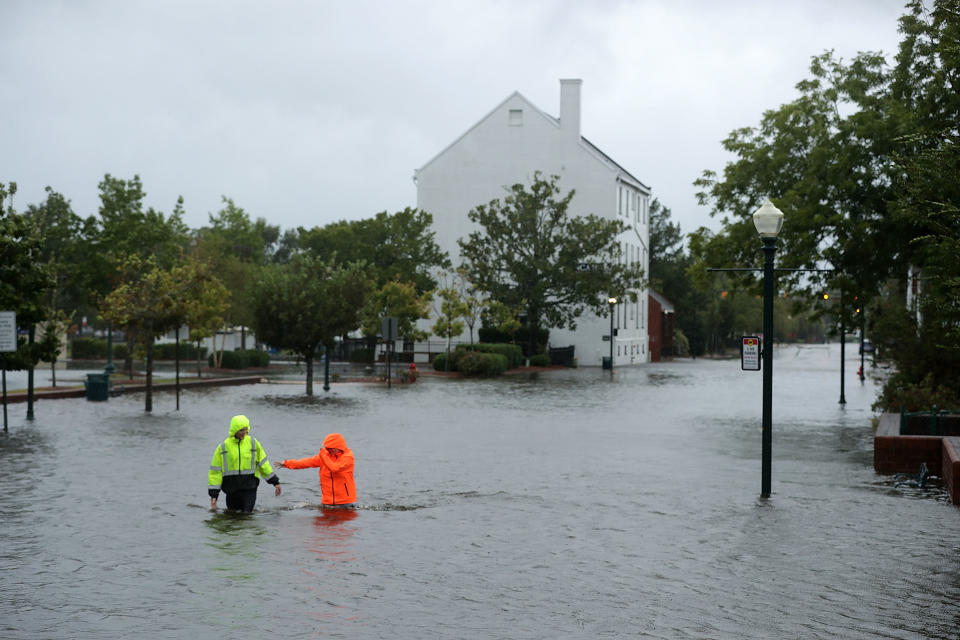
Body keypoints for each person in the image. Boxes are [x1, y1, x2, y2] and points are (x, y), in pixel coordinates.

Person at [208, 414, 281, 513]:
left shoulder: (253, 443)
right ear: (234, 430)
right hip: (231, 490)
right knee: (232, 517)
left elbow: (263, 464)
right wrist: (214, 495)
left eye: (246, 429)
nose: (244, 432)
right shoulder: (223, 447)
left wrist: (275, 482)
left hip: (249, 488)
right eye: (241, 430)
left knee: (246, 515)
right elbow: (215, 473)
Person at [277, 433, 356, 506]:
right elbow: (307, 462)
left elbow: (334, 468)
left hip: (346, 503)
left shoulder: (348, 457)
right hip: (327, 502)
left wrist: (323, 454)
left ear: (339, 446)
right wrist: (287, 463)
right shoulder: (326, 456)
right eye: (327, 448)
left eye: (331, 448)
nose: (329, 450)